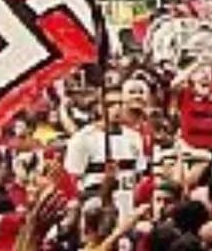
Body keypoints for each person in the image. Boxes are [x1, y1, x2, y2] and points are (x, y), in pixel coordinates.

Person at [64, 78, 153, 216]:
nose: (116, 109)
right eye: (110, 104)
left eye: (120, 104)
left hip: (127, 209)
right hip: (96, 212)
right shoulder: (83, 138)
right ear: (99, 107)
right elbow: (73, 183)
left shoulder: (134, 137)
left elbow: (139, 177)